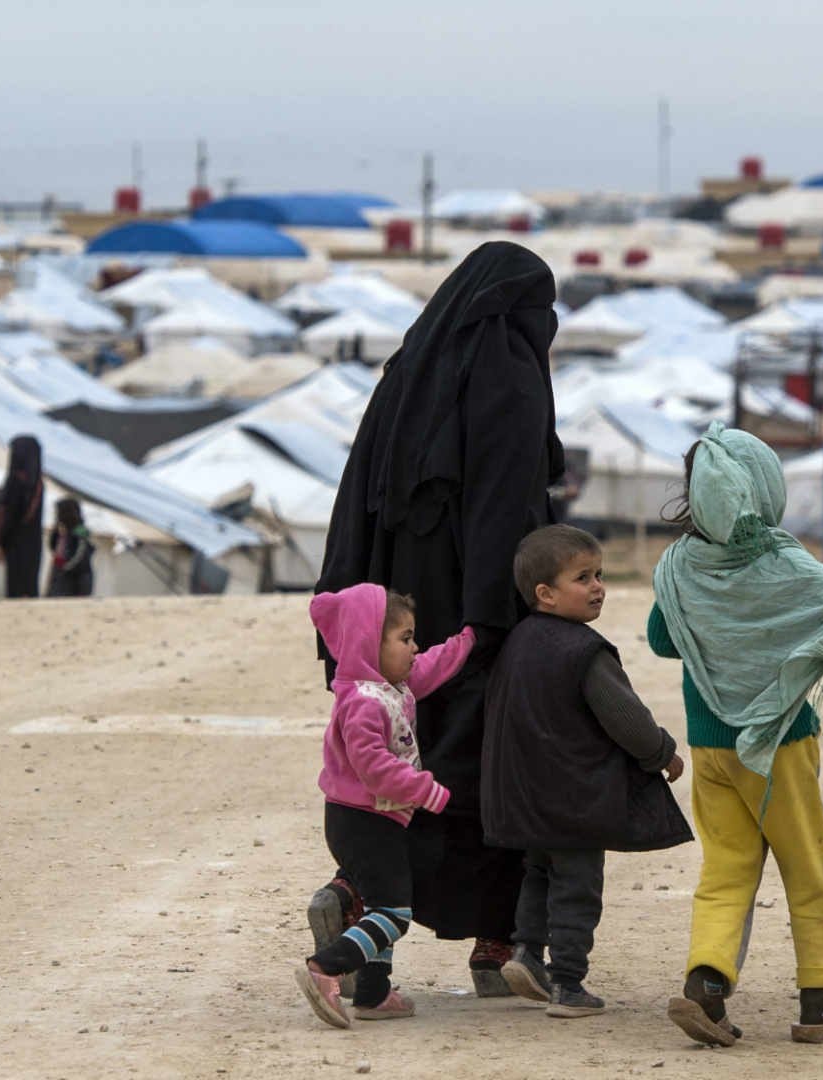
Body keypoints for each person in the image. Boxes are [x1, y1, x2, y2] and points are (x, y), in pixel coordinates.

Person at [312, 241, 566, 995]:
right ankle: (501, 942)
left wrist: (352, 621)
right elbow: (505, 512)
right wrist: (496, 623)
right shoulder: (511, 381)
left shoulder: (408, 373)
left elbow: (355, 499)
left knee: (402, 757)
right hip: (480, 614)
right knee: (497, 768)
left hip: (395, 615)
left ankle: (357, 891)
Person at [650, 424, 823, 1047]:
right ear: (764, 489)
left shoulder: (677, 563)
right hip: (780, 746)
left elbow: (665, 640)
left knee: (726, 869)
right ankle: (816, 1003)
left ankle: (707, 987)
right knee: (807, 868)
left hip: (708, 745)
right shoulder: (785, 559)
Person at [480, 525, 691, 1019]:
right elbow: (626, 719)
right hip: (574, 798)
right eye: (583, 578)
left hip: (525, 795)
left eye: (599, 575)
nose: (598, 585)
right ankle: (569, 983)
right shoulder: (584, 651)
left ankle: (526, 954)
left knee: (538, 872)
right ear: (546, 594)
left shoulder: (516, 643)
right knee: (577, 884)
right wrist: (662, 753)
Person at [295, 584, 477, 1029]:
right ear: (368, 645)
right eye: (405, 638)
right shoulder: (362, 702)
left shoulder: (391, 687)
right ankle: (326, 968)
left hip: (378, 818)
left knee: (382, 901)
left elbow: (432, 667)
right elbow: (373, 766)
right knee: (393, 914)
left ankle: (375, 994)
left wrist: (470, 638)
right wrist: (427, 790)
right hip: (361, 821)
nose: (415, 648)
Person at [0, 436, 45, 599]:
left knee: (16, 586)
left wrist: (1, 542)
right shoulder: (37, 482)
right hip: (33, 542)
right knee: (29, 585)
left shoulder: (16, 481)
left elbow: (10, 515)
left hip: (15, 542)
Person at [46, 498, 94, 597]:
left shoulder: (80, 533)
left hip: (76, 581)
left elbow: (79, 558)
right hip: (60, 579)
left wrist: (64, 568)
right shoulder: (60, 532)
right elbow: (52, 547)